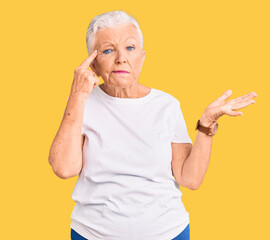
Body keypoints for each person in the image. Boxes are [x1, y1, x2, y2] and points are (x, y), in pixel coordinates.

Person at [48, 10, 257, 240]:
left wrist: (207, 125)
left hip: (167, 233)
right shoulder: (81, 101)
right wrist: (77, 96)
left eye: (130, 48)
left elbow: (190, 179)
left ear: (142, 57)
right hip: (92, 234)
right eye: (108, 50)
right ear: (93, 64)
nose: (121, 58)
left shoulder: (167, 105)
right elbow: (64, 168)